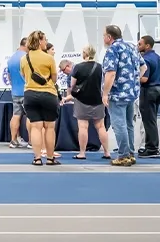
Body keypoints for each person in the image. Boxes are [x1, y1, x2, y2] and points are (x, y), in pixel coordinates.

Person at [101, 24, 144, 167]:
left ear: (109, 37)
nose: (103, 38)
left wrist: (105, 93)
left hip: (117, 94)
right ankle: (130, 153)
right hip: (131, 93)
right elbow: (144, 67)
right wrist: (133, 81)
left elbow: (111, 73)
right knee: (129, 124)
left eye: (103, 35)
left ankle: (123, 155)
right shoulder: (132, 47)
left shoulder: (112, 49)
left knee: (119, 125)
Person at [64, 44, 111, 160]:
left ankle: (82, 153)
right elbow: (104, 83)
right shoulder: (100, 67)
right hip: (97, 100)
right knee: (101, 127)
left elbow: (73, 85)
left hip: (81, 101)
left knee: (83, 127)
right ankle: (107, 152)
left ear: (84, 54)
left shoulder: (78, 67)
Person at [20, 30, 59, 166]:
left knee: (36, 127)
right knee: (49, 127)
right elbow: (54, 78)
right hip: (48, 94)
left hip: (30, 94)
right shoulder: (49, 58)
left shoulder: (24, 59)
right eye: (45, 40)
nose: (46, 42)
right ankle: (50, 158)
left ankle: (37, 158)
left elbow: (24, 76)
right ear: (40, 41)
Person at [137, 35, 160, 158]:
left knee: (149, 121)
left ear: (147, 45)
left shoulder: (146, 59)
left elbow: (144, 78)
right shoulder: (159, 58)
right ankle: (150, 146)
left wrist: (131, 78)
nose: (138, 46)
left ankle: (152, 149)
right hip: (158, 89)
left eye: (140, 44)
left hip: (149, 90)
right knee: (151, 120)